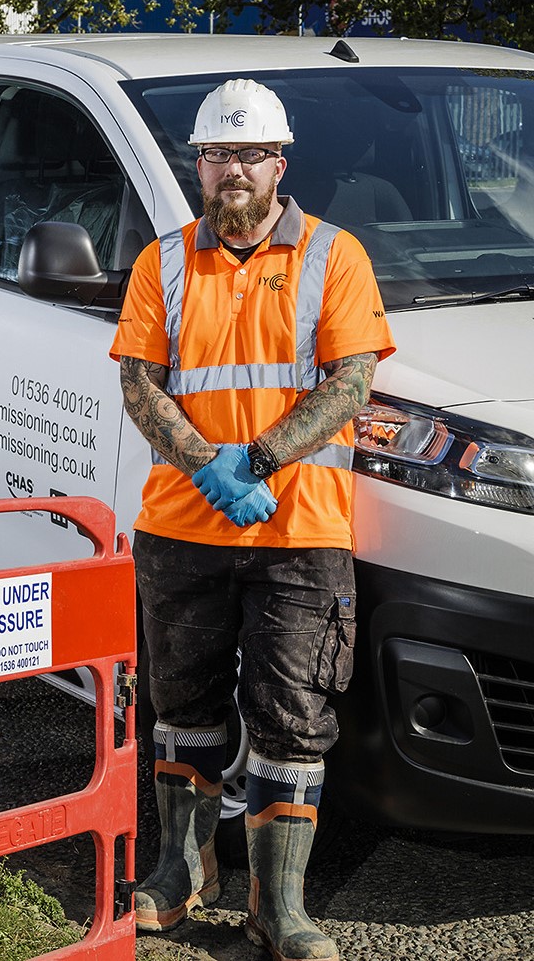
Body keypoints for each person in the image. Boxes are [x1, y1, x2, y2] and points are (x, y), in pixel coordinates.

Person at [110, 79, 393, 961]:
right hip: (182, 526)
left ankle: (282, 908)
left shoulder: (334, 255)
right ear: (198, 163)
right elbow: (138, 383)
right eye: (217, 153)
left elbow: (350, 383)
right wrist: (209, 467)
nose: (232, 169)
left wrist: (257, 463)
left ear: (281, 162)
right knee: (180, 705)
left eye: (249, 154)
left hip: (298, 529)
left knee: (291, 716)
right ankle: (181, 871)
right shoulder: (161, 262)